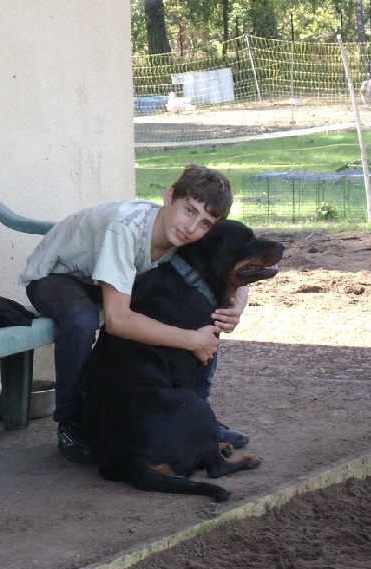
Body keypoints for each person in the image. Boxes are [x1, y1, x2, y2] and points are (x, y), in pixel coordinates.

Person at [19, 164, 250, 463]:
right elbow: (117, 321)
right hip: (60, 276)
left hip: (116, 277)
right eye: (189, 210)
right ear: (169, 198)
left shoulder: (184, 234)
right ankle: (72, 422)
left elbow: (225, 263)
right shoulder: (125, 228)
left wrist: (238, 303)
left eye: (205, 223)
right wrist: (193, 340)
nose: (192, 227)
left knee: (193, 305)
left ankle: (199, 415)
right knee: (81, 319)